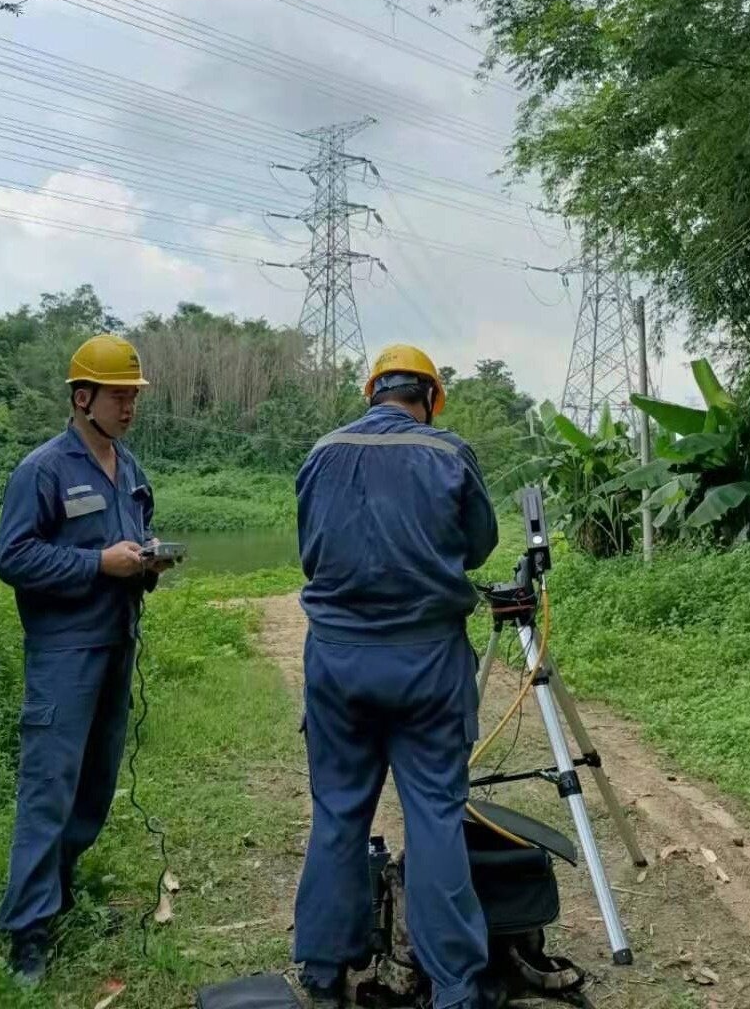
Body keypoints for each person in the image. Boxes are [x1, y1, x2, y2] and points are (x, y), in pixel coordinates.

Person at [293, 344, 499, 1009]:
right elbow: (479, 545)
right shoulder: (447, 452)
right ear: (431, 398)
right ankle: (455, 989)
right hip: (427, 663)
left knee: (337, 814)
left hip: (337, 661)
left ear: (372, 393)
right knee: (435, 816)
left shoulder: (322, 452)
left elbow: (310, 550)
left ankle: (325, 972)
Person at [0, 333, 172, 987]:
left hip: (116, 646)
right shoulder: (41, 470)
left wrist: (147, 562)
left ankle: (55, 895)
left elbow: (133, 542)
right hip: (63, 656)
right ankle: (26, 933)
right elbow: (12, 557)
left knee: (93, 788)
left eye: (133, 396)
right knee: (48, 792)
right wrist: (97, 562)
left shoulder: (131, 470)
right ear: (81, 397)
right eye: (119, 395)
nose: (129, 407)